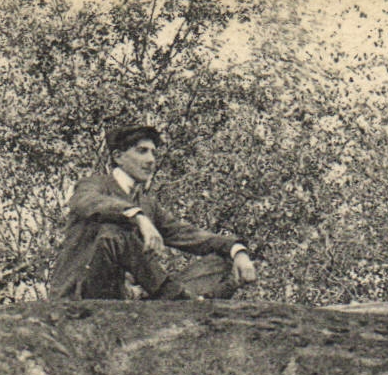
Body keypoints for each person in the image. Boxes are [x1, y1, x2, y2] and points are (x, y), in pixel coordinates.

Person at [48, 124, 257, 300]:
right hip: (82, 292)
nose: (151, 160)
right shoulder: (92, 185)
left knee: (224, 260)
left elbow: (191, 236)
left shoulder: (148, 204)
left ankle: (183, 301)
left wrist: (237, 251)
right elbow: (87, 202)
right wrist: (137, 216)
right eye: (142, 151)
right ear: (118, 157)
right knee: (116, 231)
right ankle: (177, 299)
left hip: (127, 300)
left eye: (153, 153)